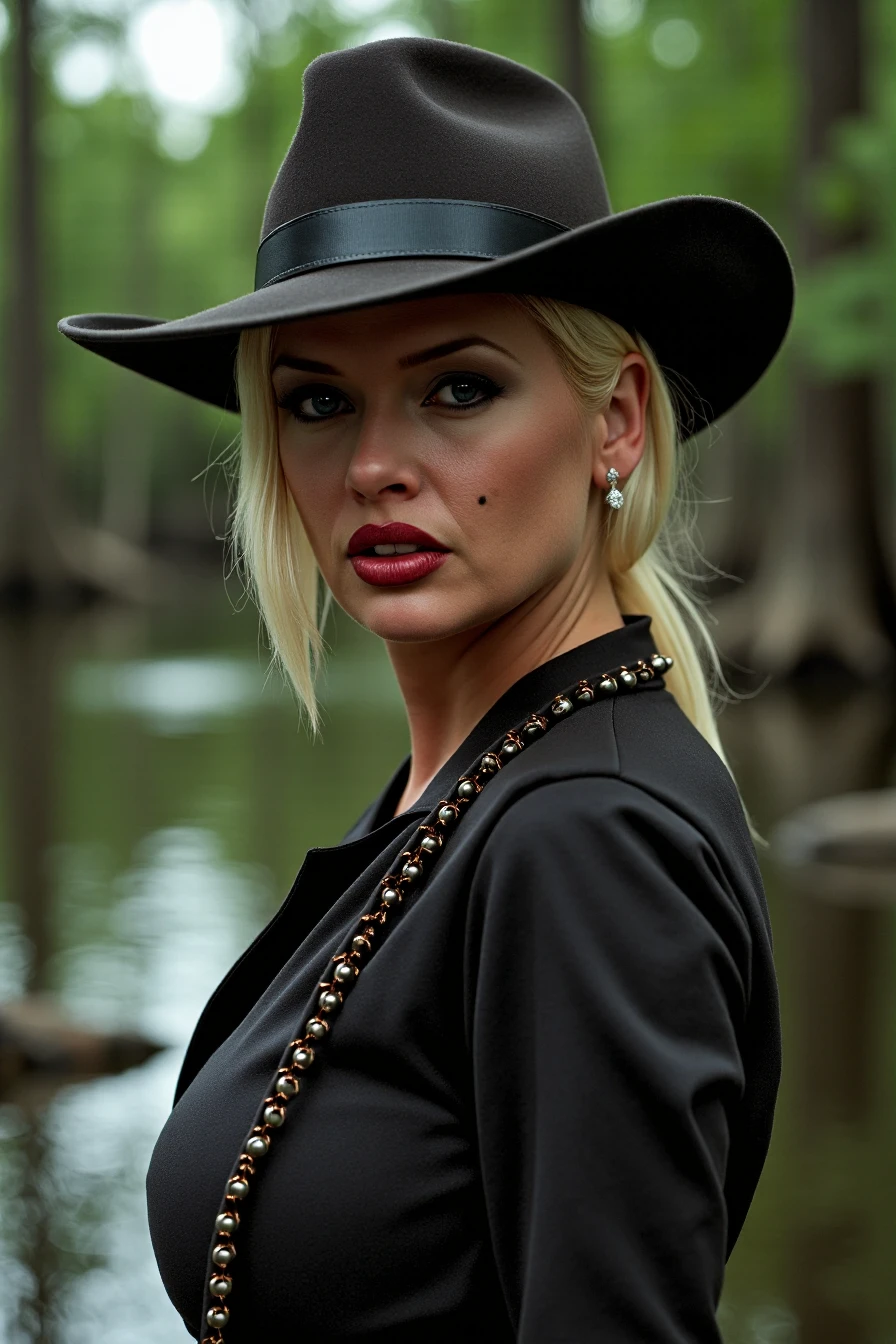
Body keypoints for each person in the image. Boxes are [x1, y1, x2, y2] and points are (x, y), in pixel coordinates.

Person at [58, 35, 793, 1344]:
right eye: (320, 401)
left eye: (460, 388)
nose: (379, 465)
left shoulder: (586, 841)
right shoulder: (480, 786)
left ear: (616, 419)